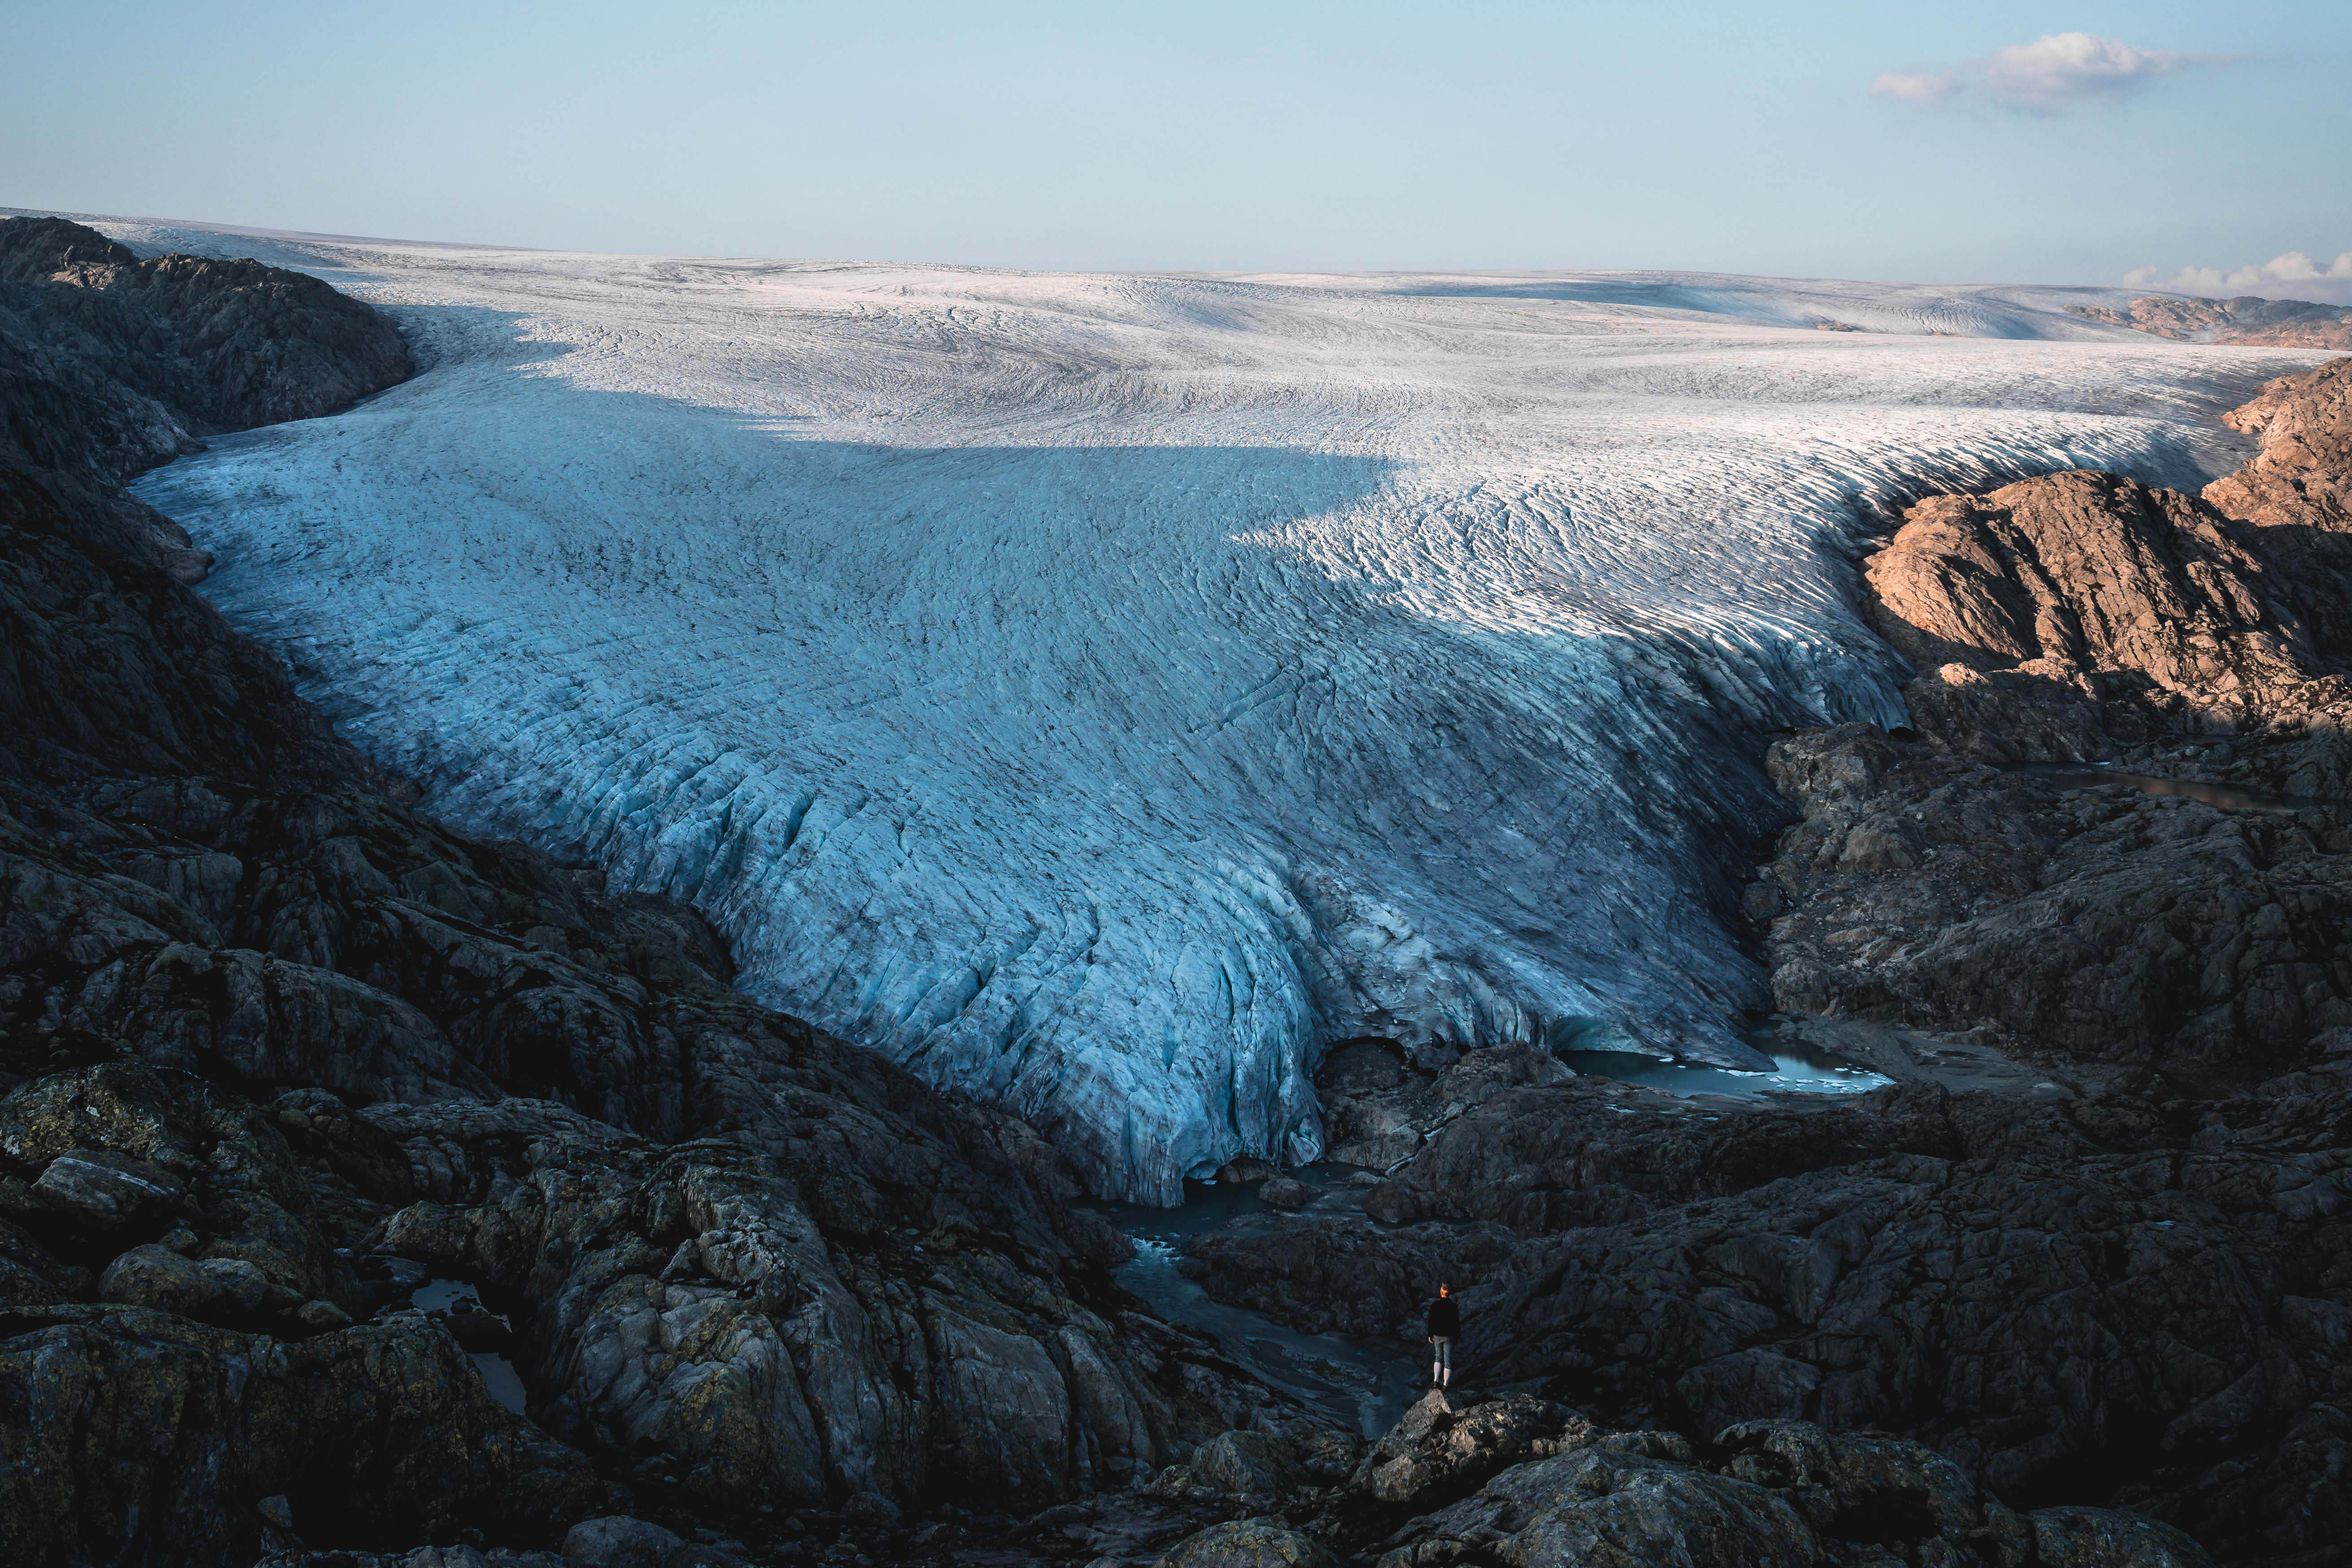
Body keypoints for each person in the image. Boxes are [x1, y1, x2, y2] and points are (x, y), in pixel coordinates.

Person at [1425, 1283, 1459, 1390]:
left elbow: (1431, 1321)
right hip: (1450, 1336)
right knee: (1448, 1360)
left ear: (1441, 1293)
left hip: (1438, 1335)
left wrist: (1430, 1334)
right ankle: (1445, 1385)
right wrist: (1457, 1336)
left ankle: (1435, 1381)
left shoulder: (1435, 1305)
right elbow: (1456, 1323)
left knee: (1438, 1358)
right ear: (1449, 1294)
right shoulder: (1454, 1306)